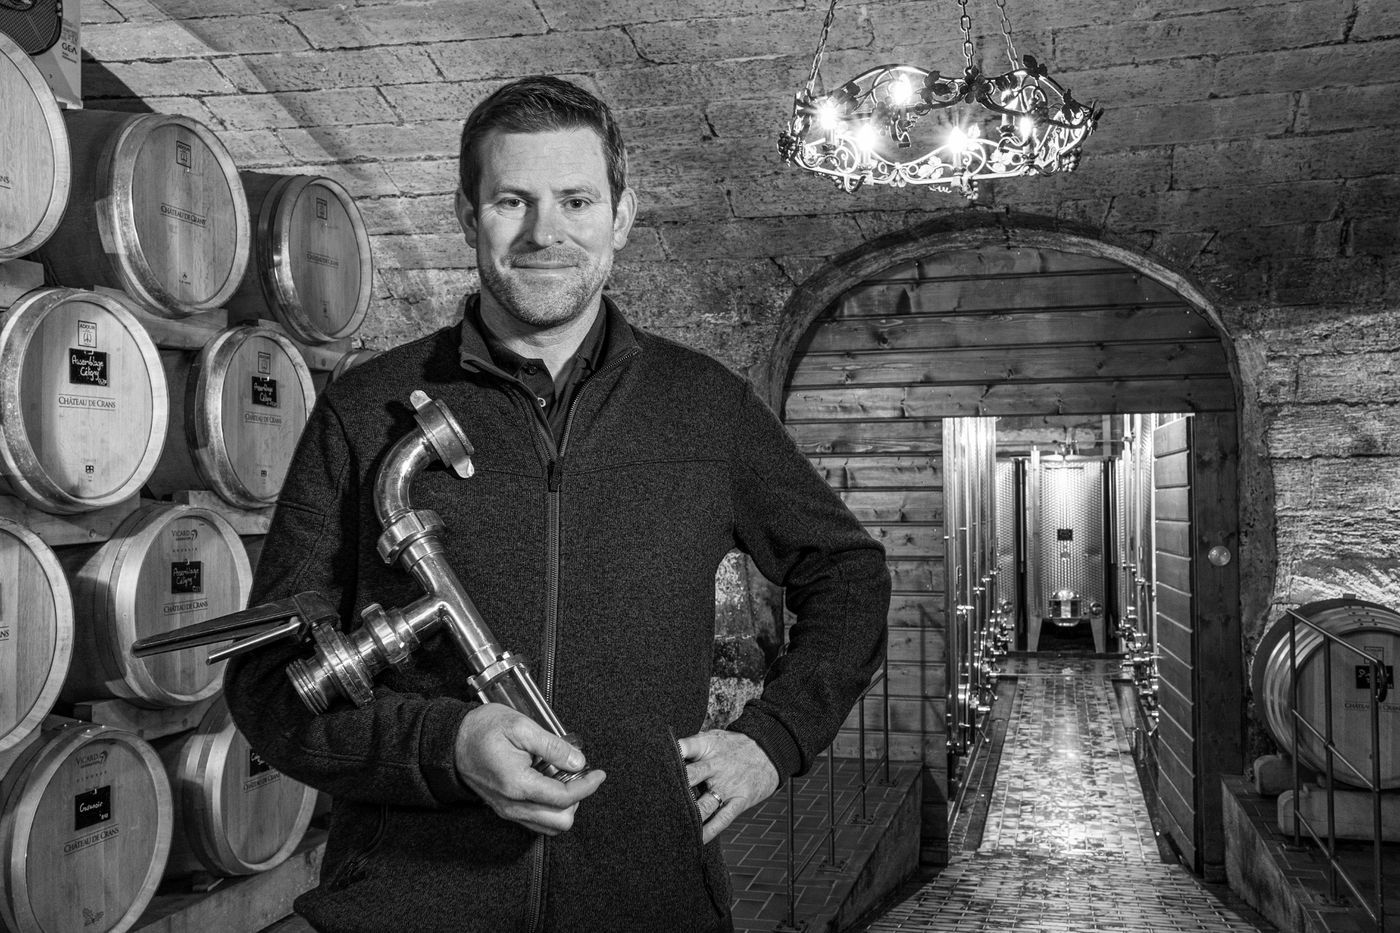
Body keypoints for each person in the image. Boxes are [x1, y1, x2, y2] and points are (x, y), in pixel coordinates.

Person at [223, 75, 890, 933]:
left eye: (576, 199)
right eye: (512, 200)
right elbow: (267, 683)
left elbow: (849, 571)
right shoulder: (367, 408)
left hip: (652, 905)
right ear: (469, 217)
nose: (545, 232)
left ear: (621, 215)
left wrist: (776, 737)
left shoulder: (704, 406)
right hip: (408, 906)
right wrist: (448, 748)